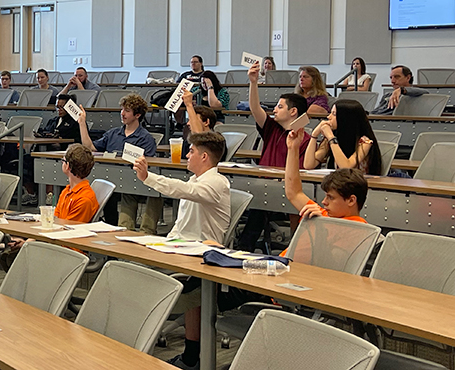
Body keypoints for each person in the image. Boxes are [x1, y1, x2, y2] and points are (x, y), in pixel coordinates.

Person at [133, 131, 231, 370]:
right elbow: (181, 224)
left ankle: (188, 355)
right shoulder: (195, 180)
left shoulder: (217, 182)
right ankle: (190, 355)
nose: (187, 155)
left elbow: (183, 191)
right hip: (183, 248)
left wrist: (149, 177)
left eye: (192, 151)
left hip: (202, 255)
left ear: (204, 156)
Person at [236, 62, 313, 252]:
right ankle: (242, 245)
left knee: (261, 207)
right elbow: (255, 109)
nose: (275, 110)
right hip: (262, 185)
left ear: (293, 111)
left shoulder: (305, 139)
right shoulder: (272, 129)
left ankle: (245, 247)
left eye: (280, 107)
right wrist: (253, 82)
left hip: (284, 189)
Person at [77, 93, 161, 234]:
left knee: (129, 192)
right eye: (122, 109)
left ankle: (141, 232)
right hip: (111, 176)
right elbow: (90, 147)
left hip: (133, 180)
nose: (122, 113)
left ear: (137, 115)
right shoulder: (113, 133)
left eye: (127, 111)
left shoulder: (145, 138)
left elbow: (148, 163)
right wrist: (82, 123)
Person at [6, 144, 99, 258]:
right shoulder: (67, 191)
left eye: (63, 161)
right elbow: (54, 222)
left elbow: (68, 232)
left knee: (14, 255)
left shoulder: (84, 199)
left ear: (68, 166)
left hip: (67, 249)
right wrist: (29, 241)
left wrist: (29, 243)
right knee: (11, 249)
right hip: (57, 240)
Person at [21, 94, 84, 205]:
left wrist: (60, 141)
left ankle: (49, 194)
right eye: (57, 107)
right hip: (44, 150)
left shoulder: (76, 123)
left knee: (47, 163)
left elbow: (78, 141)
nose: (59, 110)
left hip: (62, 153)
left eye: (62, 107)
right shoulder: (53, 121)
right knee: (25, 160)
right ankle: (31, 193)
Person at [304, 100, 382, 176]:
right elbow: (308, 165)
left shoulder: (365, 142)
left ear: (345, 119)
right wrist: (314, 135)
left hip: (356, 182)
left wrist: (331, 137)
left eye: (334, 114)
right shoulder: (332, 138)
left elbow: (346, 167)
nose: (329, 117)